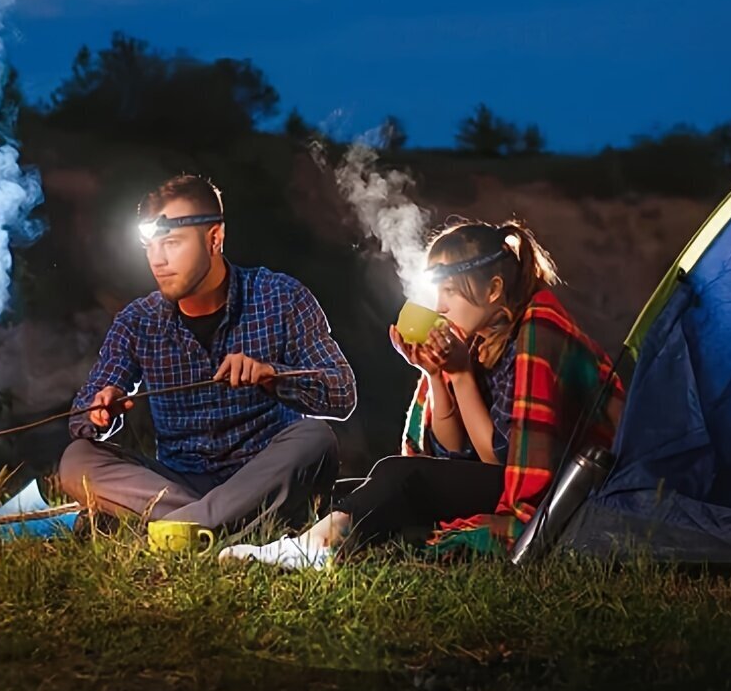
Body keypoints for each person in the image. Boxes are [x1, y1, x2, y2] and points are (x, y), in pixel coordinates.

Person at [220, 218, 624, 568]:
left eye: (449, 290)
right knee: (354, 491)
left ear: (494, 289)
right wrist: (435, 374)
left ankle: (315, 548)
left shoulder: (539, 330)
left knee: (399, 476)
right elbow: (450, 452)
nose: (440, 305)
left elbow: (501, 462)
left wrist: (461, 374)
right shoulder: (476, 342)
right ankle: (311, 540)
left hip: (563, 491)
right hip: (497, 476)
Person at [59, 174, 356, 535]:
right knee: (78, 460)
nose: (158, 259)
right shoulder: (138, 320)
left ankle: (176, 527)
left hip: (264, 475)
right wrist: (102, 409)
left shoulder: (281, 297)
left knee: (315, 437)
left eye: (171, 242)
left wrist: (270, 375)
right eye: (149, 245)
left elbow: (342, 393)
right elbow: (81, 419)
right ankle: (213, 525)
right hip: (178, 482)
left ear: (214, 238)